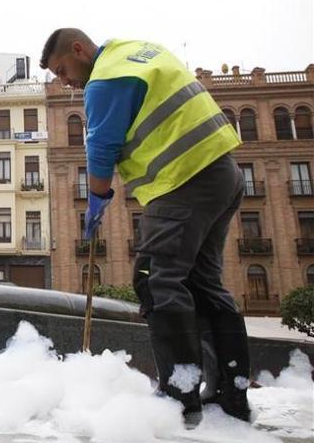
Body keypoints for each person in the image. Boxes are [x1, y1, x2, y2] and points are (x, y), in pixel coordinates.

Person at [40, 28, 251, 427]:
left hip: (183, 179)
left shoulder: (103, 80)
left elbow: (100, 146)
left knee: (156, 279)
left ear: (80, 50)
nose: (63, 81)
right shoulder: (137, 51)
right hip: (223, 173)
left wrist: (98, 198)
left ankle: (178, 394)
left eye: (62, 69)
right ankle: (231, 394)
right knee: (204, 283)